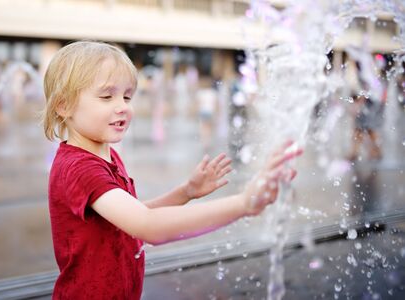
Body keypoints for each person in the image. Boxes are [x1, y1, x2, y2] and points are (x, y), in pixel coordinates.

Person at [42, 41, 302, 300]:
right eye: (106, 96)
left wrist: (185, 192)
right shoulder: (79, 168)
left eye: (127, 96)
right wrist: (244, 203)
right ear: (64, 105)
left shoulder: (105, 155)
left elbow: (131, 221)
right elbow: (147, 227)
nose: (122, 106)